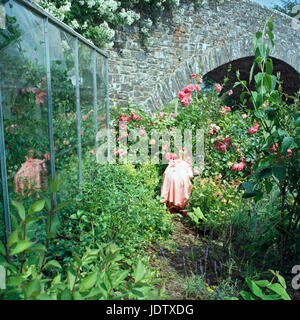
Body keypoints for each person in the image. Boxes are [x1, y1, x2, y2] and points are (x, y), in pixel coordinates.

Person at [160, 148, 193, 215]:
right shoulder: (186, 164)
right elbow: (191, 175)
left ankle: (170, 207)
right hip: (181, 181)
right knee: (184, 188)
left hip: (170, 179)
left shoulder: (173, 163)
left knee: (172, 187)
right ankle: (183, 209)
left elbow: (166, 173)